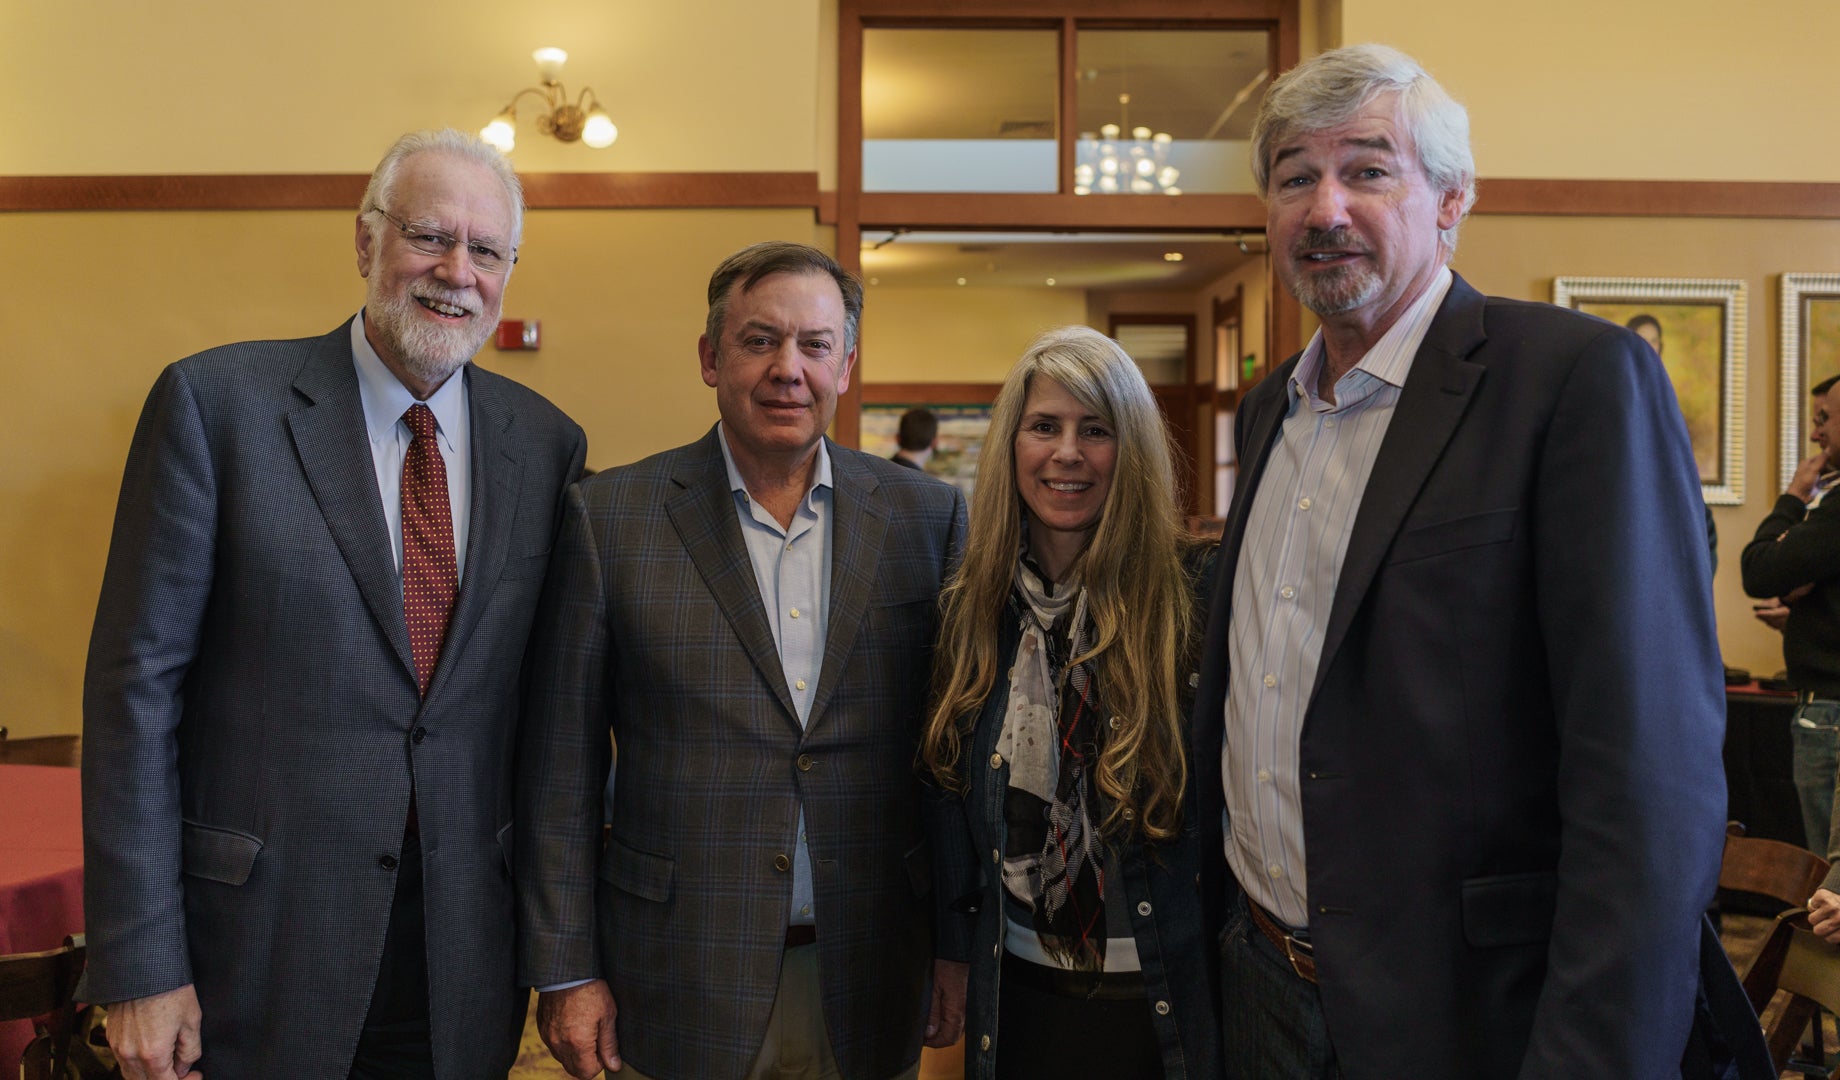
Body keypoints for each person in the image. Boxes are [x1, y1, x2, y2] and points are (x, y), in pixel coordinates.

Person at [1191, 44, 1768, 1078]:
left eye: (1367, 169)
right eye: (1292, 176)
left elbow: (1647, 783)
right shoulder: (1270, 407)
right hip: (1263, 989)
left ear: (1451, 199)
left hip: (1474, 1018)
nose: (1324, 207)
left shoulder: (1573, 384)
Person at [81, 129, 586, 1079]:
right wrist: (142, 965)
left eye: (487, 250)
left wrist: (561, 953)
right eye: (429, 235)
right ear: (366, 242)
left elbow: (548, 726)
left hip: (459, 955)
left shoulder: (547, 447)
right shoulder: (217, 406)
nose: (457, 272)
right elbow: (133, 696)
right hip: (253, 945)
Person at [516, 241, 969, 1080]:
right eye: (759, 341)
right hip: (679, 968)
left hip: (874, 962)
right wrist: (567, 967)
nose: (788, 369)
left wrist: (957, 942)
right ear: (709, 358)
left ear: (848, 361)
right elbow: (560, 767)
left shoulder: (927, 518)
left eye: (815, 344)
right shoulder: (610, 518)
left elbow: (949, 765)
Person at [922, 326, 1222, 1079]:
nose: (1068, 453)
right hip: (1019, 998)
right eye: (1044, 427)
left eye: (1097, 430)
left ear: (1135, 449)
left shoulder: (1197, 601)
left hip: (1168, 1007)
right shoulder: (974, 613)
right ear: (1010, 446)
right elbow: (946, 798)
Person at [1745, 375, 1840, 854]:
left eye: (1824, 419)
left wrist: (1792, 498)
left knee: (1831, 884)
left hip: (1831, 711)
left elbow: (1758, 570)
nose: (1815, 436)